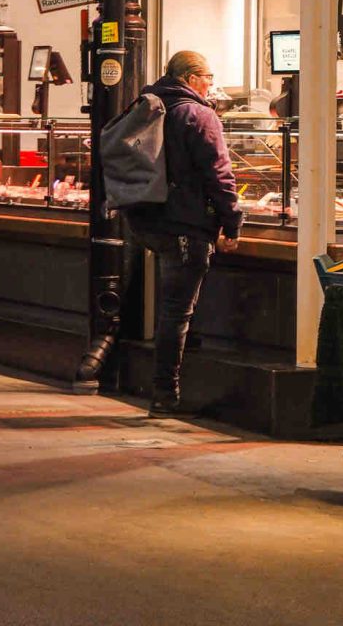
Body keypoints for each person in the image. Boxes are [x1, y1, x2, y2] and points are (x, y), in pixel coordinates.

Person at [127, 50, 243, 418]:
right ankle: (166, 394)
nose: (211, 84)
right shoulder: (198, 114)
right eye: (208, 76)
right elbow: (220, 175)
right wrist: (232, 222)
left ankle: (170, 386)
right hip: (184, 225)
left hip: (148, 222)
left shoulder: (146, 105)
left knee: (174, 308)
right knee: (176, 313)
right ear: (191, 78)